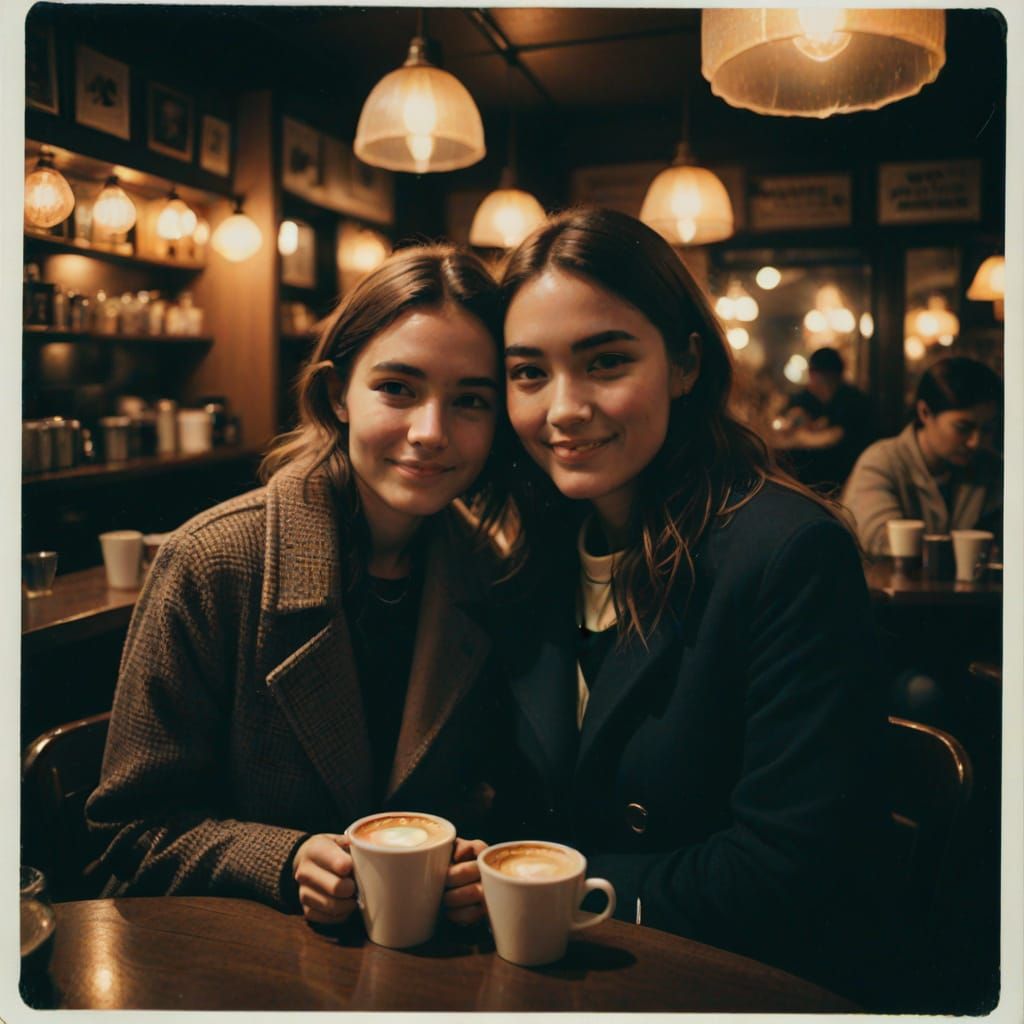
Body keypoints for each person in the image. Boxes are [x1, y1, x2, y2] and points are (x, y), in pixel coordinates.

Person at [494, 208, 894, 1000]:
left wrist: (540, 890)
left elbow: (783, 871)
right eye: (528, 372)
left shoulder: (787, 551)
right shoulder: (530, 548)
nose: (563, 409)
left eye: (605, 361)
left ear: (684, 364)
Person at [86, 244, 512, 927]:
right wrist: (281, 861)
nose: (431, 432)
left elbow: (490, 789)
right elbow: (127, 832)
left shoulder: (488, 571)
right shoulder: (216, 560)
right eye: (397, 388)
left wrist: (474, 866)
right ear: (336, 393)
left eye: (470, 400)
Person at [842, 356, 1001, 555]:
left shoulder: (991, 467)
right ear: (925, 412)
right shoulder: (881, 462)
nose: (975, 442)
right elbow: (881, 541)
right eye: (963, 428)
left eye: (987, 429)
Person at [774, 346, 876, 490]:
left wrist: (801, 434)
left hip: (846, 480)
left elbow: (835, 438)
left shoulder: (853, 402)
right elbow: (786, 426)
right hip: (809, 480)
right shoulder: (803, 399)